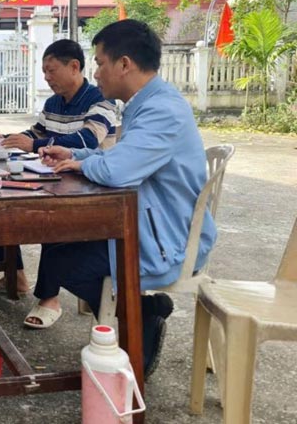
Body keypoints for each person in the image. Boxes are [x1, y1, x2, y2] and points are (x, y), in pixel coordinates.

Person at [36, 19, 217, 378]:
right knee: (57, 244)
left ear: (124, 64)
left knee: (63, 261)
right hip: (148, 220)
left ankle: (142, 314)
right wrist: (78, 159)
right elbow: (122, 157)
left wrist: (82, 163)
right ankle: (139, 312)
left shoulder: (162, 110)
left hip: (166, 237)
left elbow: (119, 170)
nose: (97, 73)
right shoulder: (145, 104)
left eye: (101, 63)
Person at [0, 39, 118, 306]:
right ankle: (13, 277)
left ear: (74, 67)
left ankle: (48, 299)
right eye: (44, 71)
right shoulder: (54, 102)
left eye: (51, 70)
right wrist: (9, 137)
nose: (46, 77)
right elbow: (36, 133)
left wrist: (34, 145)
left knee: (48, 217)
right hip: (56, 178)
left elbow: (87, 140)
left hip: (90, 185)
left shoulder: (101, 100)